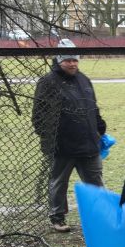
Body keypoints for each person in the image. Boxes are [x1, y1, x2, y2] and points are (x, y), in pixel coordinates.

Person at [32, 39, 106, 233]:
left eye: (75, 60)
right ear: (59, 60)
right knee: (59, 182)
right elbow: (38, 115)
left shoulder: (84, 80)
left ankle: (100, 216)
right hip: (61, 145)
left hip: (88, 143)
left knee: (95, 181)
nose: (72, 63)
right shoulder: (48, 82)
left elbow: (93, 107)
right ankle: (57, 217)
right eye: (68, 60)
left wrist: (100, 126)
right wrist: (50, 139)